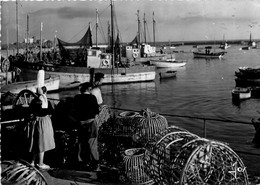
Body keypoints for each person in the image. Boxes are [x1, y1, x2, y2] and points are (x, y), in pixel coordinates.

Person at [26, 86, 55, 170]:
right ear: (45, 92)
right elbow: (50, 111)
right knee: (42, 143)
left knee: (36, 142)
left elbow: (30, 111)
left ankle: (32, 162)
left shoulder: (33, 101)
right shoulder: (45, 101)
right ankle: (41, 163)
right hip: (43, 122)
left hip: (35, 122)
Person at [74, 82, 100, 171]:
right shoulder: (92, 98)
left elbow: (74, 111)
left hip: (80, 123)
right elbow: (97, 111)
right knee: (92, 143)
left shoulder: (76, 97)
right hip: (91, 123)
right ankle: (95, 164)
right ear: (89, 89)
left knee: (81, 143)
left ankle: (80, 163)